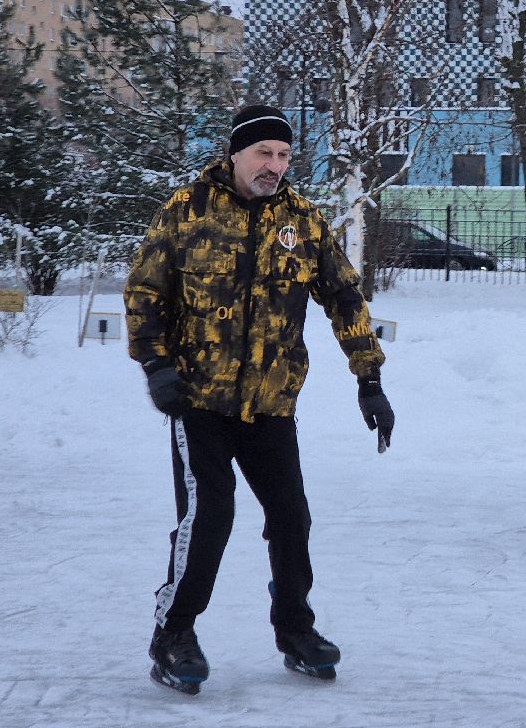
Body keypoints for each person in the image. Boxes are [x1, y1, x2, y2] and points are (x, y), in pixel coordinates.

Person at [125, 104, 395, 694]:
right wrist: (155, 363)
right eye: (263, 154)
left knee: (291, 517)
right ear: (236, 155)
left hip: (272, 404)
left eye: (283, 156)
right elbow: (145, 289)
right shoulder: (187, 210)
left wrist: (368, 378)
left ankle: (295, 629)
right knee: (210, 515)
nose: (274, 166)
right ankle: (174, 632)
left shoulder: (304, 220)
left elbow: (344, 297)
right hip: (198, 401)